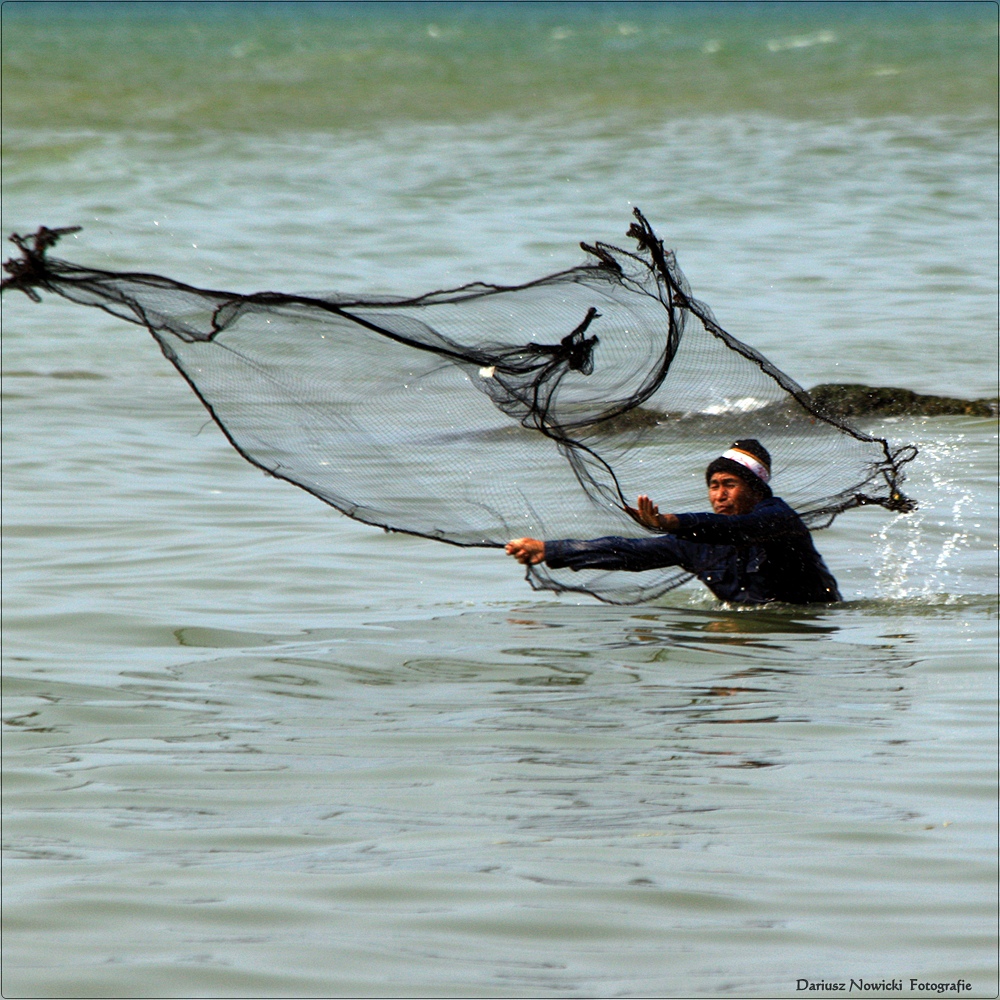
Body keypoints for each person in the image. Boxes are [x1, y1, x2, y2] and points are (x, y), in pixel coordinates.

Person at [505, 439, 841, 605]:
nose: (719, 495)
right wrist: (551, 550)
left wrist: (671, 521)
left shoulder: (779, 519)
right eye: (713, 485)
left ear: (755, 489)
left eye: (729, 485)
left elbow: (735, 529)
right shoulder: (698, 542)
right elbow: (631, 553)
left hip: (809, 629)